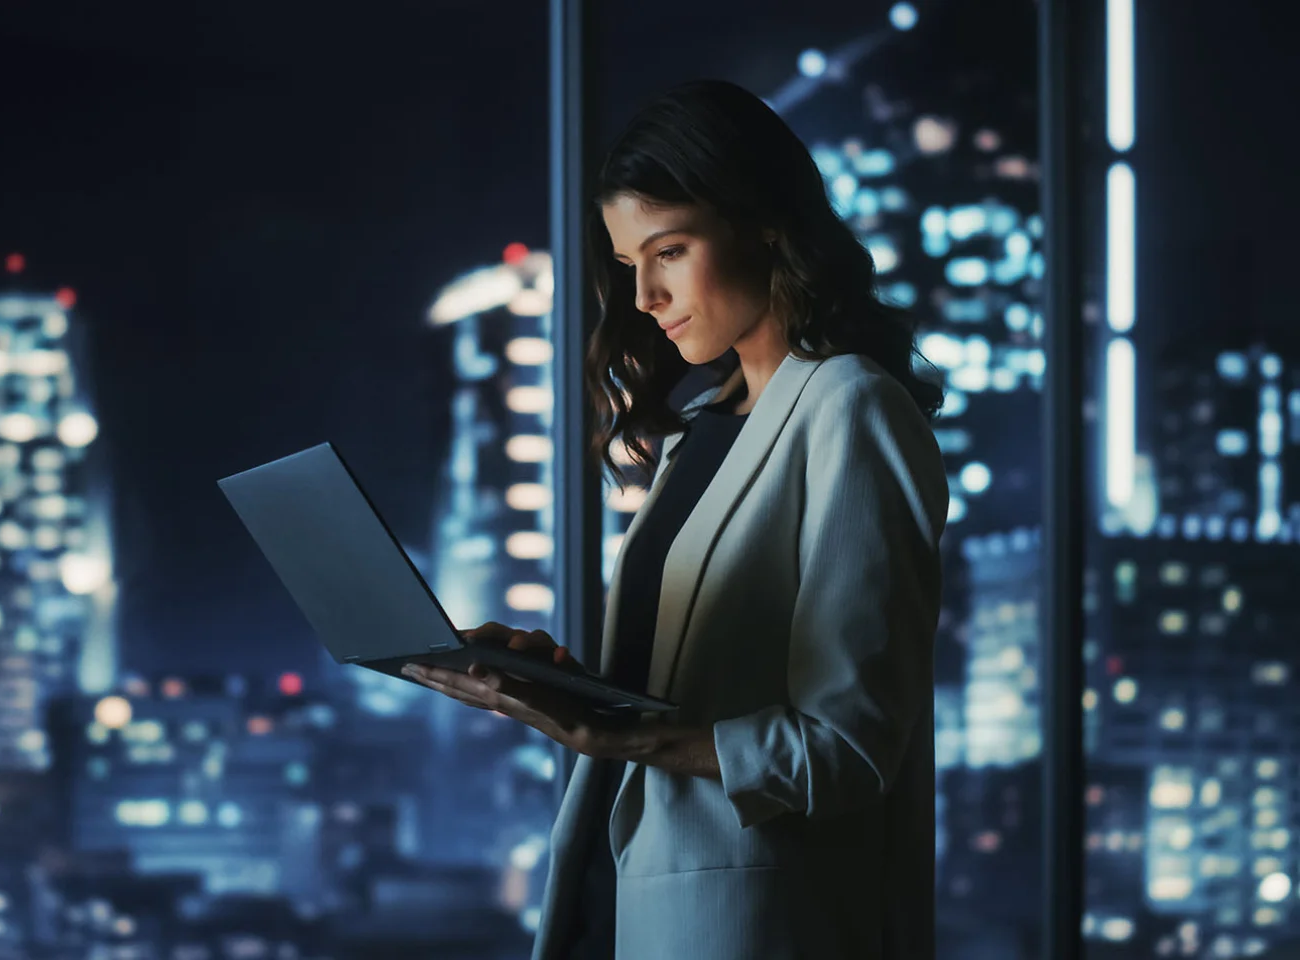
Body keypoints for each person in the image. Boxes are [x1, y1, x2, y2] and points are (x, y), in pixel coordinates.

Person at [401, 78, 948, 959]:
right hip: (626, 894)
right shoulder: (702, 433)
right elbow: (704, 688)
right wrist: (570, 685)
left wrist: (622, 734)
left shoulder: (851, 408)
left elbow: (848, 748)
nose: (648, 297)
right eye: (629, 267)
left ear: (763, 222)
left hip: (760, 924)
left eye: (670, 250)